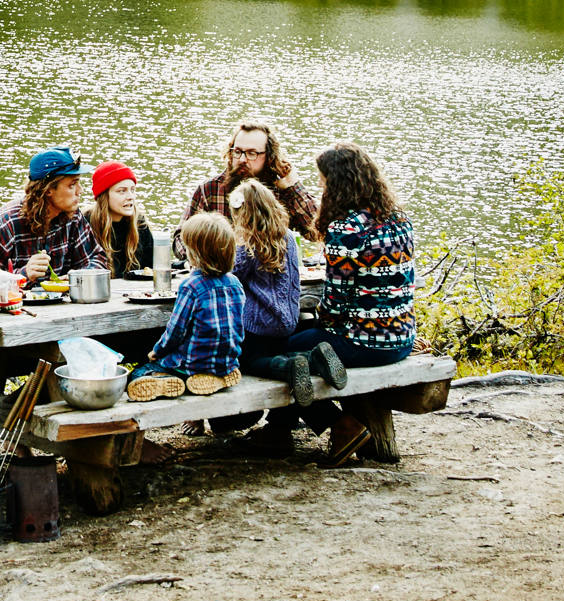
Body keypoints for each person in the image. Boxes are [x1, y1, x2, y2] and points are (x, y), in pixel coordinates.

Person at [274, 143, 416, 465]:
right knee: (301, 342)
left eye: (323, 182)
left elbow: (334, 306)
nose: (321, 188)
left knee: (276, 354)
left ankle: (340, 426)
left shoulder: (346, 229)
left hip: (363, 342)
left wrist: (316, 325)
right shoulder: (399, 220)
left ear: (337, 184)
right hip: (401, 340)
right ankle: (284, 427)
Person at [230, 179, 345, 408]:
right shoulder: (289, 238)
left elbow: (232, 279)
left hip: (257, 326)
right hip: (287, 322)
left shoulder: (246, 244)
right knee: (274, 351)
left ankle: (290, 366)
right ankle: (312, 358)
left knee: (247, 361)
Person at [127, 212, 244, 402]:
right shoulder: (235, 283)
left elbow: (176, 331)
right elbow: (237, 326)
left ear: (195, 254)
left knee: (138, 372)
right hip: (226, 361)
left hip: (192, 364)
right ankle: (220, 377)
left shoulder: (191, 286)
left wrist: (157, 351)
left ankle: (169, 379)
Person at [173, 116, 317, 259]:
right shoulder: (210, 189)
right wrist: (205, 257)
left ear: (269, 156)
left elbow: (317, 233)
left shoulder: (281, 191)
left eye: (251, 153)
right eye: (237, 151)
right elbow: (180, 241)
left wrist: (293, 187)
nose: (242, 159)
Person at [0, 148, 107, 281]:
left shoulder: (73, 216)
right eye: (72, 184)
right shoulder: (7, 222)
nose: (80, 190)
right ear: (48, 189)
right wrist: (23, 274)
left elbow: (97, 259)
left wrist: (77, 277)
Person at [87, 162, 154, 279]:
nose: (130, 196)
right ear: (104, 196)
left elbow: (151, 267)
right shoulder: (85, 223)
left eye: (133, 190)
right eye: (122, 191)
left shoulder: (140, 224)